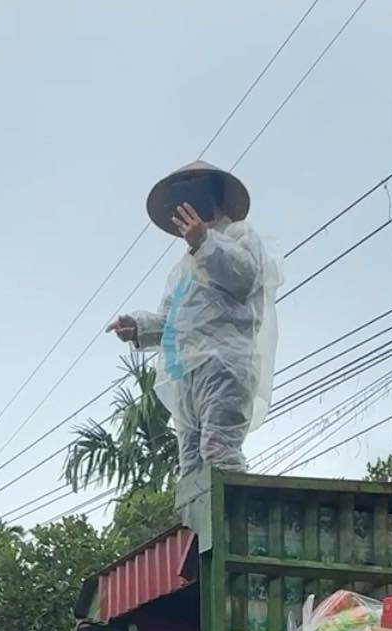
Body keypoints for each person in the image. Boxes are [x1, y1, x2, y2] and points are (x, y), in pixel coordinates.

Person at [110, 160, 279, 480]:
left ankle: (231, 509)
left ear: (214, 195)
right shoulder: (182, 270)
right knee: (190, 465)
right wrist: (138, 328)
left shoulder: (239, 235)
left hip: (224, 367)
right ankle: (198, 514)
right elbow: (173, 323)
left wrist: (206, 242)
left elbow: (245, 276)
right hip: (186, 374)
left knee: (219, 452)